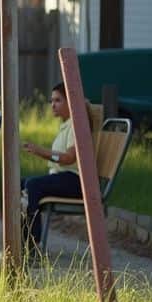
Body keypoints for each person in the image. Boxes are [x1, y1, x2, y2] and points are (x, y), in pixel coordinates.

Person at [20, 83, 94, 257]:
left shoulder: (77, 125)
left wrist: (41, 151)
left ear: (71, 102)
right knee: (18, 183)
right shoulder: (67, 125)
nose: (52, 104)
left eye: (58, 100)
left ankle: (33, 246)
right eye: (51, 100)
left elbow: (69, 158)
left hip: (75, 181)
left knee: (33, 185)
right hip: (63, 177)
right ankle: (20, 241)